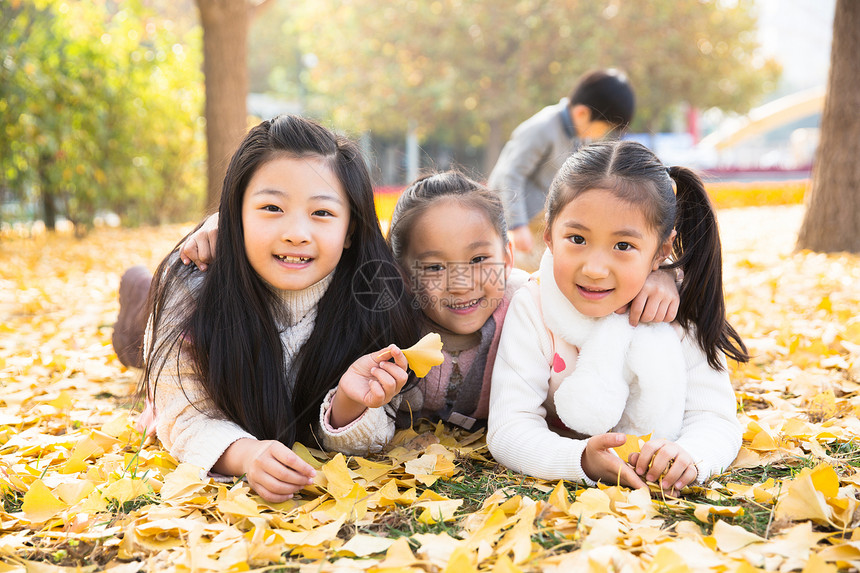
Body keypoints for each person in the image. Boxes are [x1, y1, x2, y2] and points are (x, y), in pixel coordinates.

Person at [174, 170, 681, 452]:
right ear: (400, 273)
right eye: (434, 268)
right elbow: (361, 424)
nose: (461, 283)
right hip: (175, 330)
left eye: (480, 259)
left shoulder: (529, 303)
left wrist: (666, 274)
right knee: (139, 339)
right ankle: (138, 301)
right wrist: (222, 224)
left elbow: (603, 274)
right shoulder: (387, 323)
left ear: (507, 252)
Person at [140, 115, 421, 503]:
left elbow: (372, 435)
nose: (296, 233)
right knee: (139, 342)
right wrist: (245, 455)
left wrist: (348, 404)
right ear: (235, 212)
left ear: (351, 230)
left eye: (321, 213)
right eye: (272, 207)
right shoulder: (192, 285)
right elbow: (184, 415)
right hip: (174, 338)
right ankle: (135, 292)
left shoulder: (372, 298)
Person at [487, 140, 749, 496]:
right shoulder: (533, 307)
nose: (595, 269)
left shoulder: (674, 312)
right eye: (577, 238)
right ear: (549, 235)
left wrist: (690, 456)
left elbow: (716, 419)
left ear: (661, 252)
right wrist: (580, 459)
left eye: (623, 246)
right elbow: (508, 428)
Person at [487, 68, 635, 271]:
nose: (602, 135)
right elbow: (509, 174)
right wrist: (517, 225)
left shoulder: (580, 135)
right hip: (520, 221)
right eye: (604, 127)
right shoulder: (543, 128)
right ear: (582, 113)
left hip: (544, 222)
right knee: (520, 275)